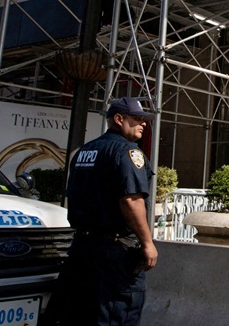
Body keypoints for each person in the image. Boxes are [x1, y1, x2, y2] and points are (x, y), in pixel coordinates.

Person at [57, 96, 159, 325]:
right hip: (115, 254)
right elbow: (131, 200)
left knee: (82, 315)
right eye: (138, 119)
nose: (144, 124)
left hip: (82, 249)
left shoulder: (85, 151)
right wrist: (147, 242)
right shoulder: (127, 152)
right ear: (119, 119)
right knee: (118, 314)